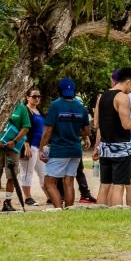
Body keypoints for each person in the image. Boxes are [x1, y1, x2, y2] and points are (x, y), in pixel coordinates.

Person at [38, 78, 91, 208]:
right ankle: (68, 211)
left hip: (59, 149)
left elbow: (48, 131)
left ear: (59, 91)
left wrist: (41, 147)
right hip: (75, 150)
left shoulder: (56, 105)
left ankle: (58, 210)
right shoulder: (81, 108)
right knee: (69, 182)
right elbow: (86, 131)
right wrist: (76, 134)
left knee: (49, 183)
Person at [94, 69, 131, 206]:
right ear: (128, 82)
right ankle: (115, 213)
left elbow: (96, 123)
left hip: (105, 147)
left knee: (104, 185)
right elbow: (127, 124)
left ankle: (99, 213)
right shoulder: (122, 97)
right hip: (121, 147)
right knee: (118, 185)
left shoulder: (102, 97)